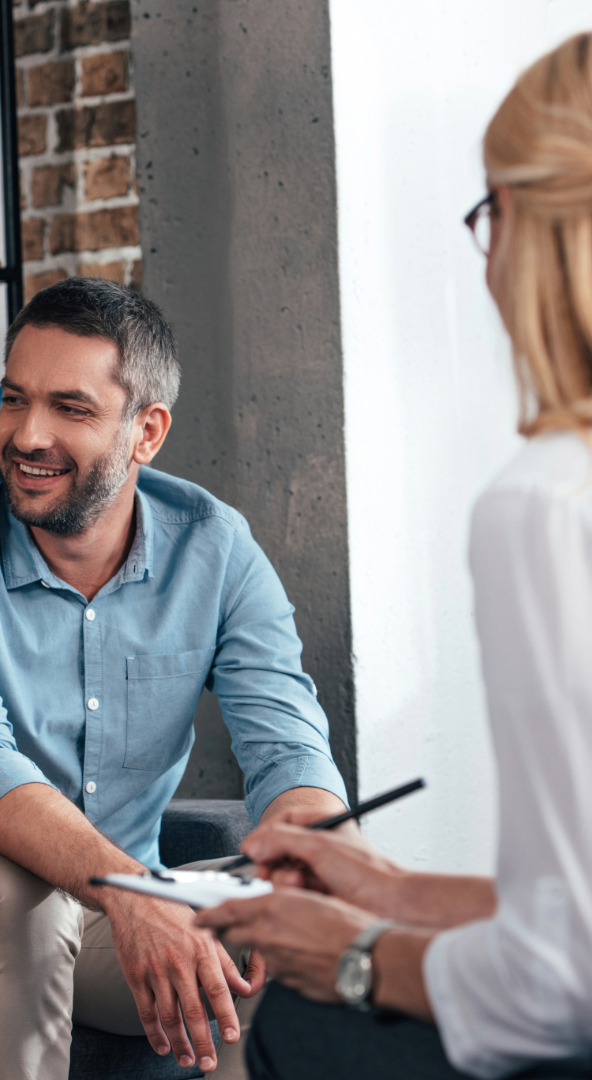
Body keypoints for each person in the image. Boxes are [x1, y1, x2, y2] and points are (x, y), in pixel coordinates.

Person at [196, 31, 592, 1080]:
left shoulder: (550, 503)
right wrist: (399, 894)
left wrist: (361, 956)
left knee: (293, 1021)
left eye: (489, 216)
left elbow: (561, 985)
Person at [0, 276, 351, 1080]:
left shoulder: (216, 548)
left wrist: (324, 852)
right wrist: (136, 894)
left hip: (112, 909)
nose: (26, 434)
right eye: (15, 400)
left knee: (289, 927)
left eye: (71, 409)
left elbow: (288, 746)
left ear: (146, 432)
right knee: (21, 895)